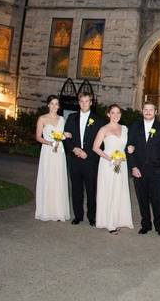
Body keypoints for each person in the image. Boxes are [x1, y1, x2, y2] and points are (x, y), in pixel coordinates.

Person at [127, 101, 160, 235]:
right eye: (145, 109)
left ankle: (158, 225)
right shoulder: (135, 126)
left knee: (158, 200)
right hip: (139, 171)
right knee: (142, 199)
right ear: (142, 111)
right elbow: (129, 148)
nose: (148, 112)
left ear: (155, 112)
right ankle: (145, 224)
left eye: (151, 110)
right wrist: (133, 167)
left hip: (157, 172)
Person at [63, 90, 104, 226]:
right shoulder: (71, 118)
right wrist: (74, 149)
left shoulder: (98, 121)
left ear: (91, 103)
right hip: (74, 160)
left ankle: (92, 217)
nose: (84, 104)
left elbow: (101, 143)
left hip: (90, 160)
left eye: (87, 101)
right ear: (78, 102)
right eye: (81, 101)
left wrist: (88, 153)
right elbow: (66, 138)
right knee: (76, 189)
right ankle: (78, 216)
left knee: (91, 190)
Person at [92, 104, 133, 233]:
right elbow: (95, 148)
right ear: (108, 114)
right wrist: (110, 159)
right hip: (108, 164)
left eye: (118, 113)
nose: (116, 115)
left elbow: (127, 146)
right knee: (109, 190)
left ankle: (118, 219)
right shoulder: (103, 129)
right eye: (113, 113)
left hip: (122, 163)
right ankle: (109, 222)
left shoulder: (125, 129)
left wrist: (131, 149)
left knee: (119, 190)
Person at [34, 95, 72, 221]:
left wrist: (65, 135)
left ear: (59, 106)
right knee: (48, 177)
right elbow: (38, 137)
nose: (54, 106)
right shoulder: (42, 119)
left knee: (58, 178)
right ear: (48, 105)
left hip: (59, 153)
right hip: (47, 151)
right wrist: (50, 143)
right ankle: (46, 210)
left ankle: (57, 211)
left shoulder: (62, 119)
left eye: (57, 104)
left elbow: (65, 135)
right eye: (52, 103)